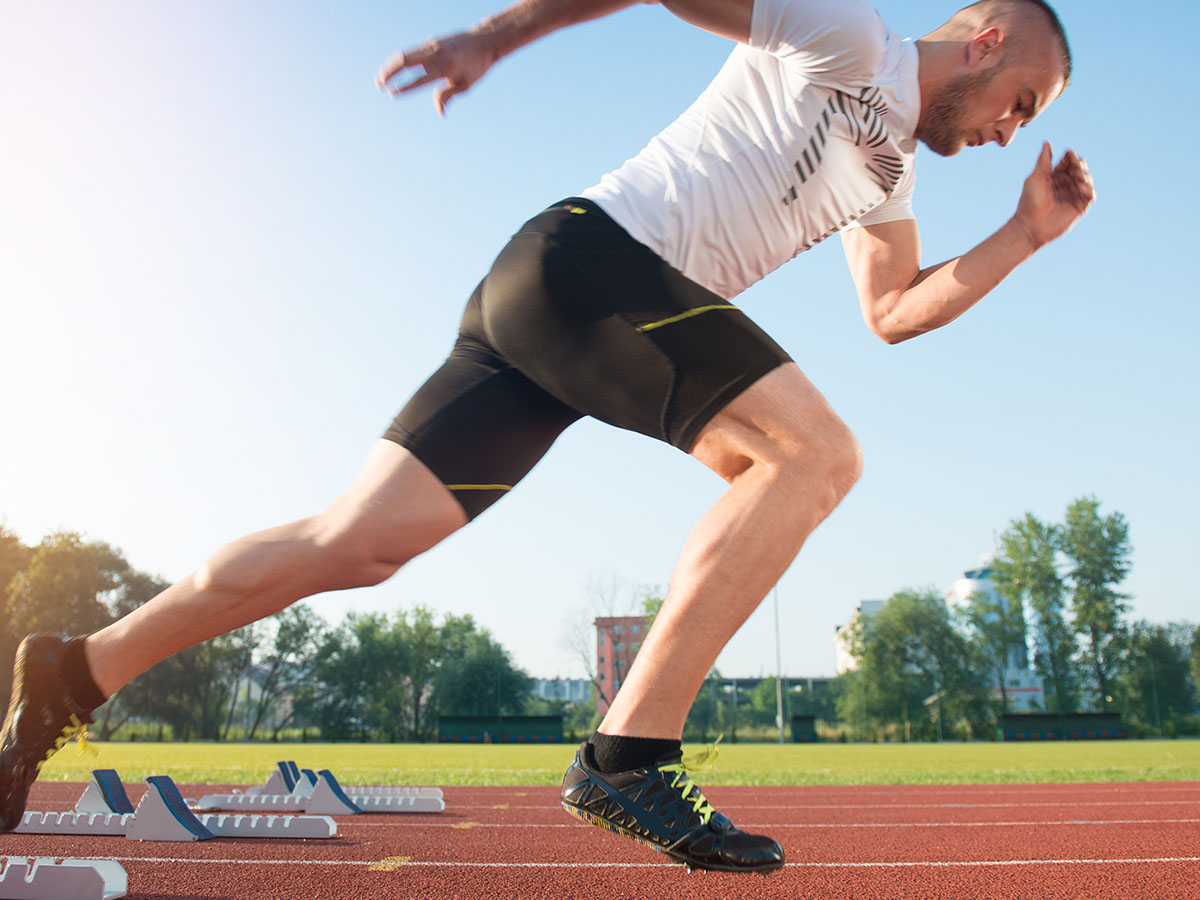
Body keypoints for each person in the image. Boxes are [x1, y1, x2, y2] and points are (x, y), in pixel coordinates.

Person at [1, 0, 1092, 874]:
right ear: (985, 43)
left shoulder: (893, 171)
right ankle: (628, 755)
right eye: (1021, 101)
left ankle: (74, 672)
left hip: (572, 314)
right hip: (592, 264)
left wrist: (1025, 237)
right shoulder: (849, 34)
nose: (1012, 132)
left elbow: (892, 311)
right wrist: (496, 34)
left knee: (355, 543)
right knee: (811, 455)